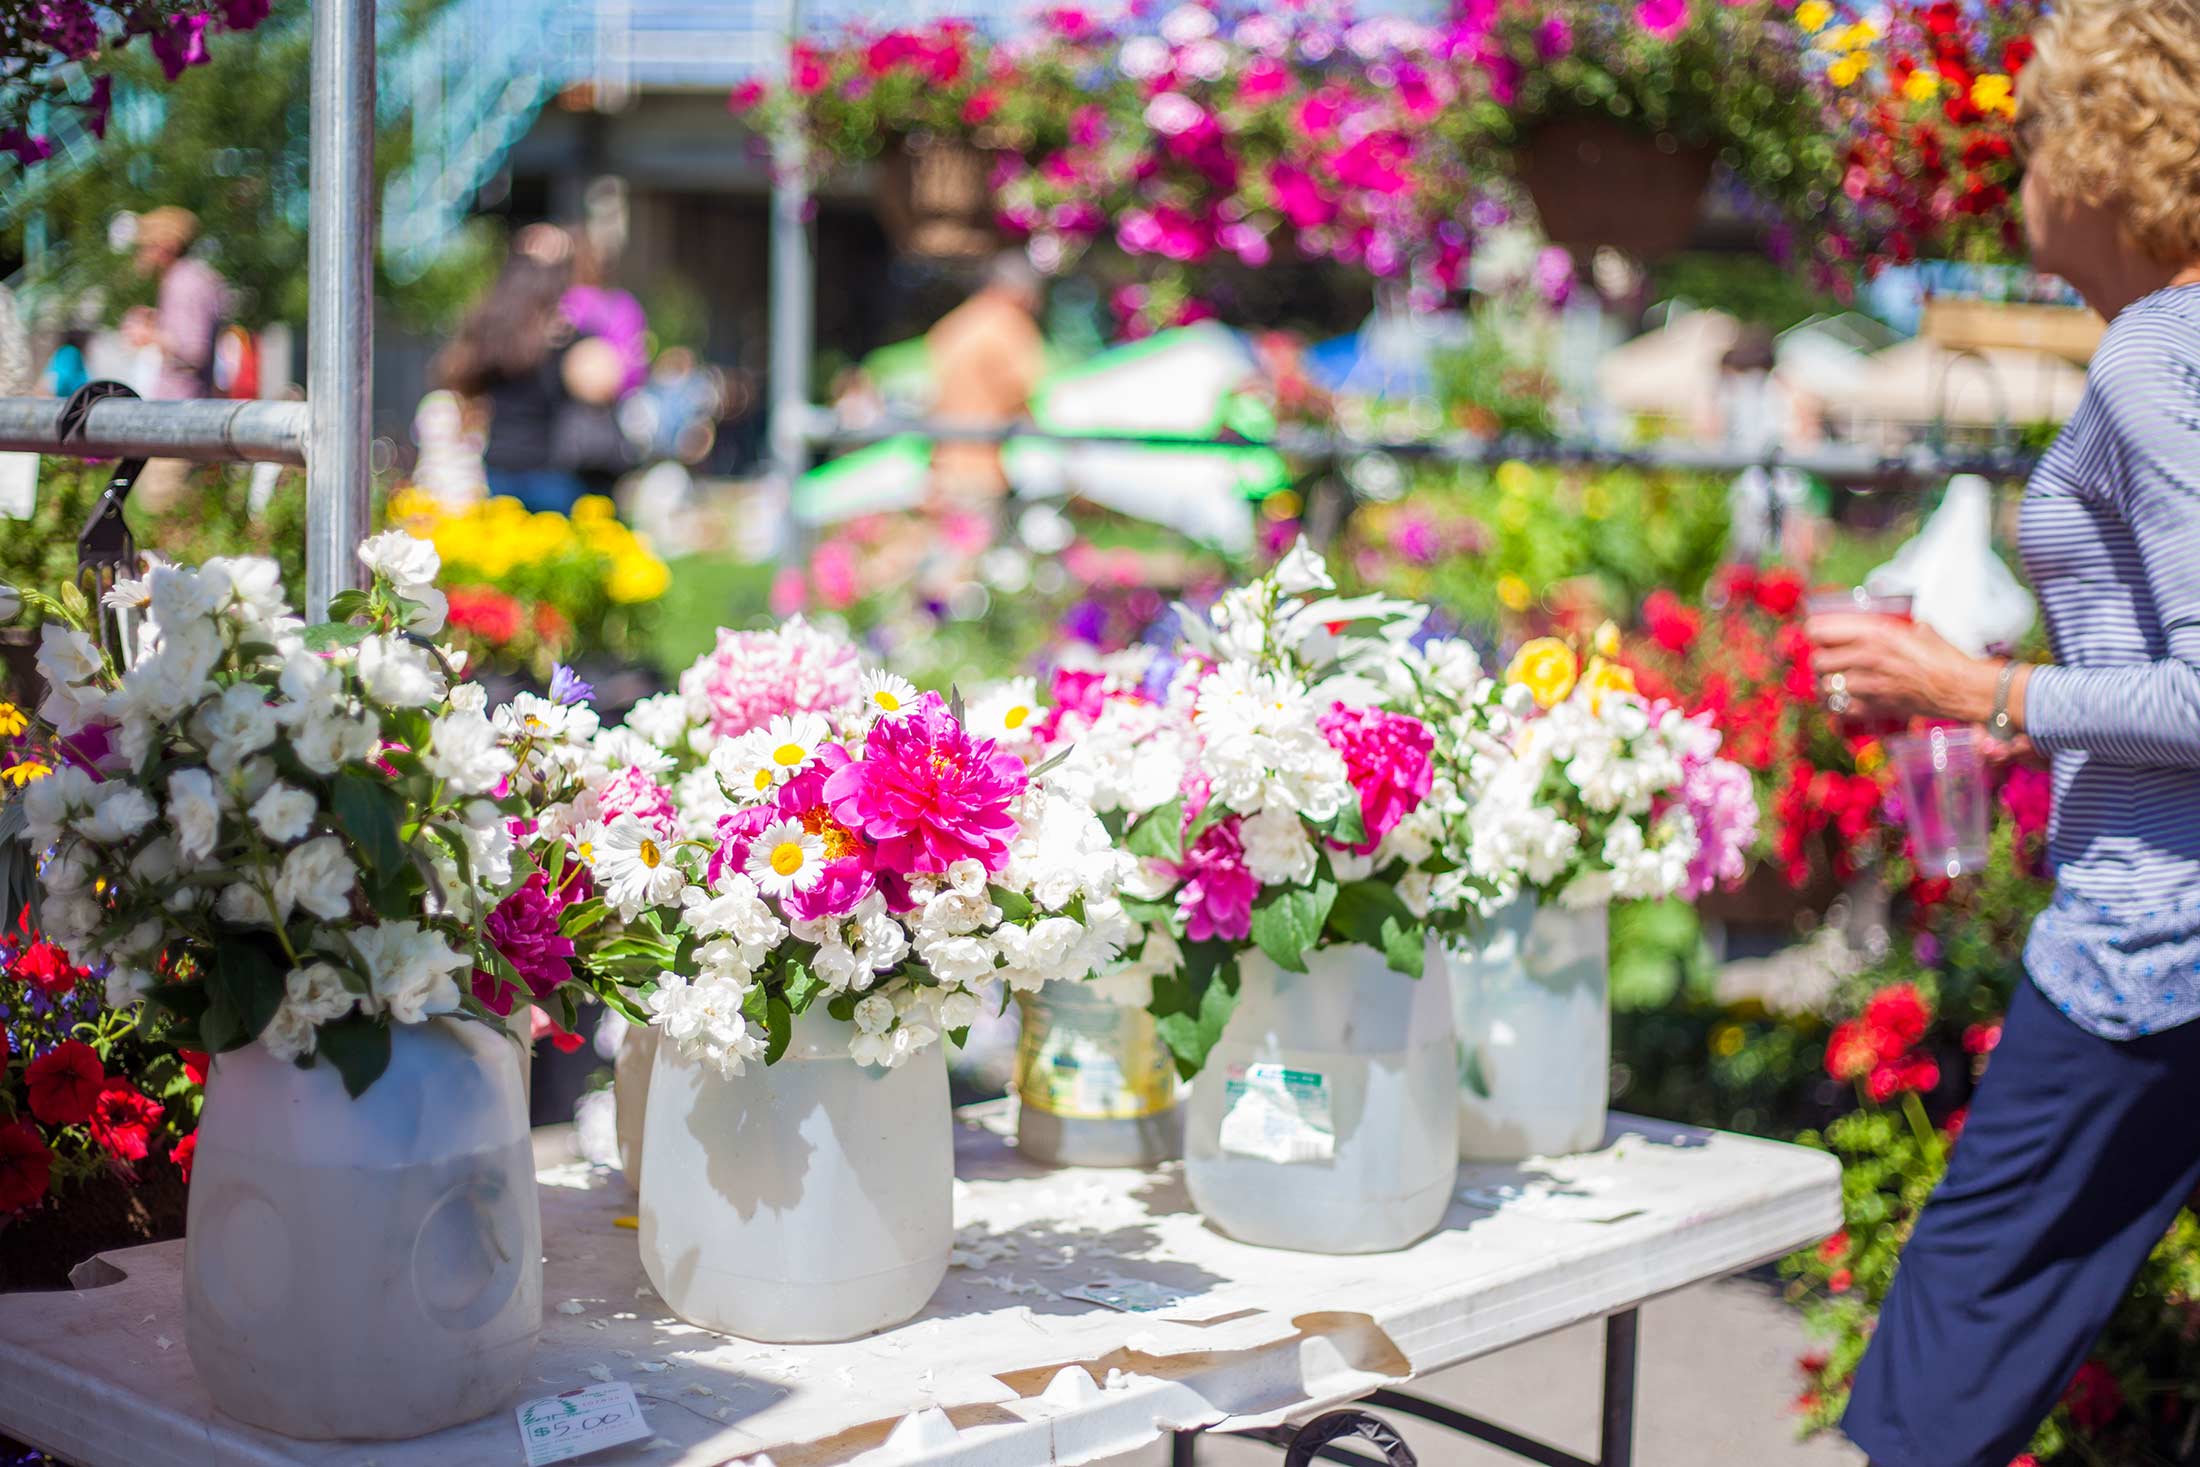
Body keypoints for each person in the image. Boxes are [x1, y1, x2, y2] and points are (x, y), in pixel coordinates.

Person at [1808, 5, 2200, 1463]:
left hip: (2151, 948)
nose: (2014, 170)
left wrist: (1980, 693)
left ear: (2103, 154)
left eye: (2033, 134)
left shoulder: (2157, 356)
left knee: (1928, 1390)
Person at [434, 224, 627, 515]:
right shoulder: (564, 333)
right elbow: (604, 383)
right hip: (549, 470)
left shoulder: (488, 328)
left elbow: (455, 375)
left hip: (498, 467)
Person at [924, 251, 1046, 506]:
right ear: (1020, 291)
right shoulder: (1008, 324)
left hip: (942, 466)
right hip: (984, 469)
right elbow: (1023, 391)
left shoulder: (954, 325)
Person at [123, 207, 230, 402]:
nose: (142, 253)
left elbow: (194, 353)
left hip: (181, 411)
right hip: (180, 409)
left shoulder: (183, 283)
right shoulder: (183, 278)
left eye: (147, 245)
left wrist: (150, 335)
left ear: (166, 245)